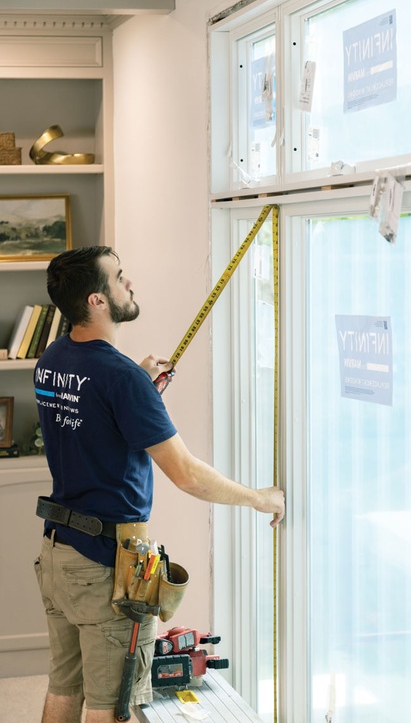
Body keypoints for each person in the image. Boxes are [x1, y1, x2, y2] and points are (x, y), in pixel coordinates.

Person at [33, 246, 285, 723]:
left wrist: (142, 391)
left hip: (58, 554)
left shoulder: (53, 360)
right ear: (97, 300)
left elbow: (91, 424)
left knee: (65, 687)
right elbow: (186, 474)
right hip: (105, 565)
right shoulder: (120, 378)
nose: (130, 285)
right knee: (112, 705)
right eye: (120, 278)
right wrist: (259, 498)